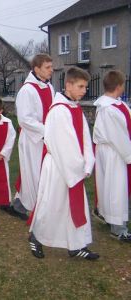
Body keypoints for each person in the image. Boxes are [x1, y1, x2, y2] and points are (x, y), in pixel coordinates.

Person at [29, 67, 98, 260]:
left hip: (73, 167)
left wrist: (87, 163)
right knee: (53, 205)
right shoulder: (59, 111)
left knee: (73, 207)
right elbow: (63, 144)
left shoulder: (74, 107)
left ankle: (76, 245)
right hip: (60, 167)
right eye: (81, 86)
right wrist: (78, 168)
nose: (84, 90)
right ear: (68, 85)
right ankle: (36, 236)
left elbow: (84, 138)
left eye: (85, 86)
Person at [14, 54, 55, 220]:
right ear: (37, 69)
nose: (51, 70)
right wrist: (46, 130)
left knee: (43, 172)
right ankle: (31, 206)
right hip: (33, 139)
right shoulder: (27, 90)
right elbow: (25, 119)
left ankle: (23, 204)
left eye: (51, 67)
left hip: (47, 137)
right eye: (47, 67)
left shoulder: (50, 87)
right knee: (33, 172)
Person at [93, 70, 131, 242]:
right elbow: (119, 136)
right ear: (119, 86)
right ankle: (118, 229)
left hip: (109, 150)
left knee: (109, 186)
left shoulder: (111, 105)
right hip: (115, 151)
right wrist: (129, 156)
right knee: (117, 189)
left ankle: (109, 217)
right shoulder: (110, 109)